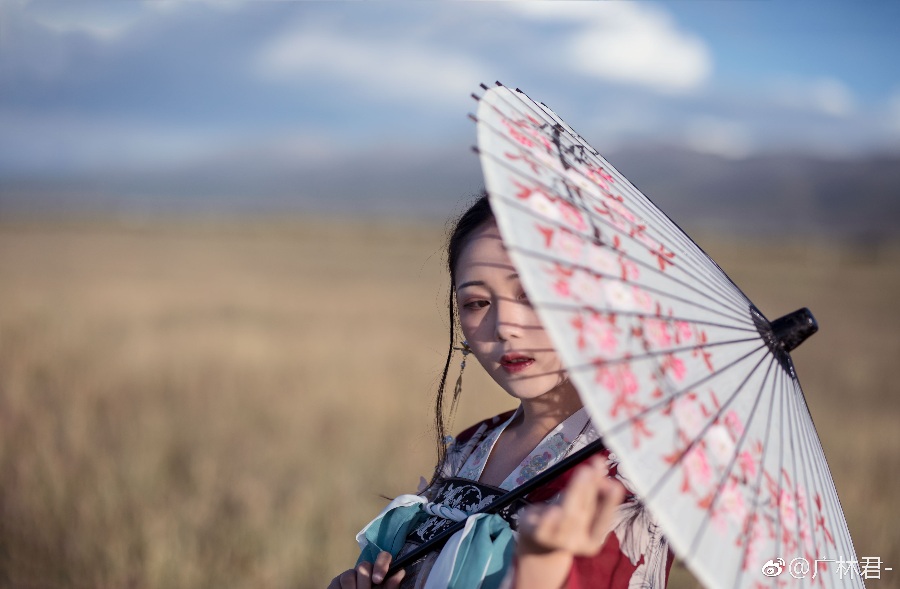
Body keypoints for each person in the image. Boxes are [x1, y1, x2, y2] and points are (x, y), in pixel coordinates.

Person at [328, 194, 672, 589]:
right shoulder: (472, 444)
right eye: (477, 302)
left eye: (532, 294)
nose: (504, 325)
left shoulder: (630, 473)